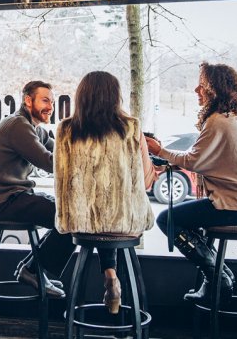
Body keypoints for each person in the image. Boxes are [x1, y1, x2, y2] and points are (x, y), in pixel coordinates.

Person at [146, 62, 237, 305]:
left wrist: (159, 149)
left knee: (167, 219)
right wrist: (166, 160)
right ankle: (217, 275)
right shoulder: (229, 119)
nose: (195, 90)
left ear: (215, 89)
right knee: (186, 220)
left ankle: (217, 277)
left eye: (201, 85)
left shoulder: (217, 122)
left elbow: (194, 160)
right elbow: (208, 160)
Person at [54, 71, 157, 314]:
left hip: (81, 222)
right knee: (110, 223)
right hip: (125, 222)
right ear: (115, 96)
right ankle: (112, 279)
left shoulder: (66, 129)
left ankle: (110, 275)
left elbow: (60, 179)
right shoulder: (131, 127)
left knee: (98, 222)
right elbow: (144, 181)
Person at [0, 80, 73, 298]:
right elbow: (50, 162)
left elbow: (60, 150)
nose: (50, 106)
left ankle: (33, 269)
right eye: (44, 100)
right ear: (28, 100)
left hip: (16, 197)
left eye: (51, 101)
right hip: (5, 202)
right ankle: (32, 270)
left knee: (68, 214)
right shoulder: (18, 126)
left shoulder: (34, 129)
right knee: (71, 218)